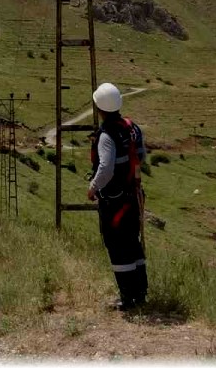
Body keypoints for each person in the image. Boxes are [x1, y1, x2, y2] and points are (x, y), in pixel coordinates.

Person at [86, 83, 147, 311]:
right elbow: (141, 156)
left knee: (117, 246)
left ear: (99, 108)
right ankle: (141, 293)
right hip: (133, 196)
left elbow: (105, 169)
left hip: (114, 201)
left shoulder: (106, 135)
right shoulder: (133, 129)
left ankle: (128, 298)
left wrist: (93, 188)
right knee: (133, 243)